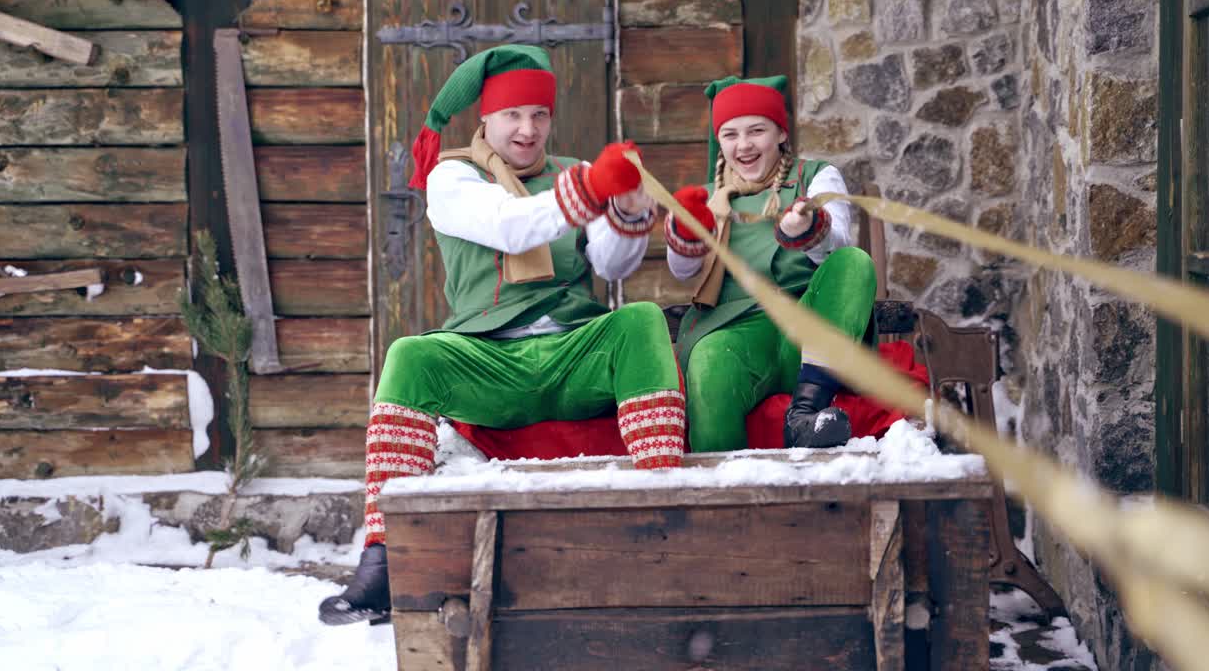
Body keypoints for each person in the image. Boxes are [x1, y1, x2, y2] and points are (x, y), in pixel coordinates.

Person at [319, 45, 687, 625]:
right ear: (485, 119)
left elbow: (613, 266)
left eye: (540, 114)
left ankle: (668, 514)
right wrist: (591, 189)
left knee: (639, 318)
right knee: (410, 355)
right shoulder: (452, 176)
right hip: (493, 361)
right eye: (514, 114)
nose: (528, 128)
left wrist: (627, 210)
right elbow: (509, 227)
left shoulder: (569, 171)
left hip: (572, 350)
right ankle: (383, 558)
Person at [664, 75, 877, 453]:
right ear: (720, 141)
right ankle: (721, 494)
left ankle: (805, 414)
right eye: (730, 134)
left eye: (756, 131)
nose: (743, 145)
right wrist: (685, 231)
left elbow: (839, 241)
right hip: (738, 333)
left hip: (809, 328)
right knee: (709, 364)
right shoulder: (708, 199)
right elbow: (681, 271)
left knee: (854, 262)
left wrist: (809, 227)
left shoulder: (817, 177)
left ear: (780, 133)